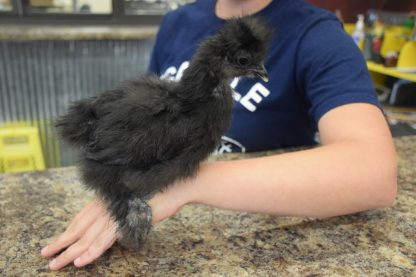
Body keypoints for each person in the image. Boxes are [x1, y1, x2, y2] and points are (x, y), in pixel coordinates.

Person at [41, 0, 397, 271]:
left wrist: (187, 183)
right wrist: (128, 185)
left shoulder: (316, 34)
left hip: (265, 238)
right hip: (179, 234)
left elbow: (373, 173)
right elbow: (140, 119)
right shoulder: (177, 23)